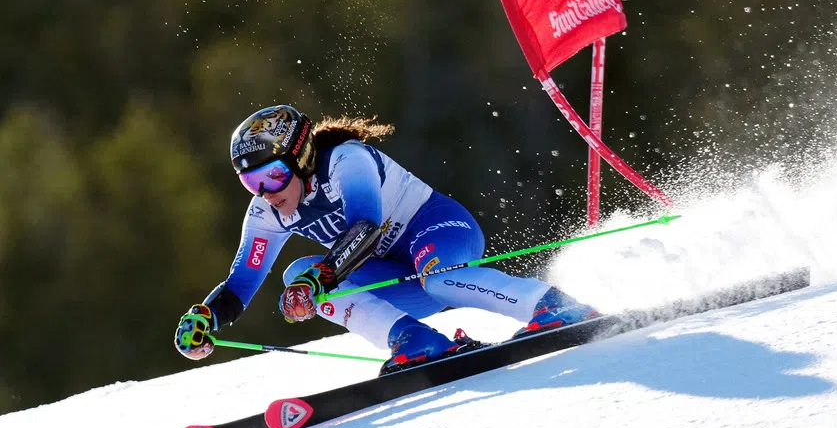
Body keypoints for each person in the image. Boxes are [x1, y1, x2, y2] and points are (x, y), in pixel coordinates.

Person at [174, 104, 598, 372]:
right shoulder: (266, 212)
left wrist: (319, 278)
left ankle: (553, 305)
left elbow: (364, 227)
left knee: (436, 278)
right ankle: (416, 340)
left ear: (300, 157)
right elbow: (242, 281)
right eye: (251, 182)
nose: (266, 191)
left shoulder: (346, 160)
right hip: (396, 276)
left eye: (273, 174)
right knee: (295, 272)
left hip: (437, 231)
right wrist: (209, 317)